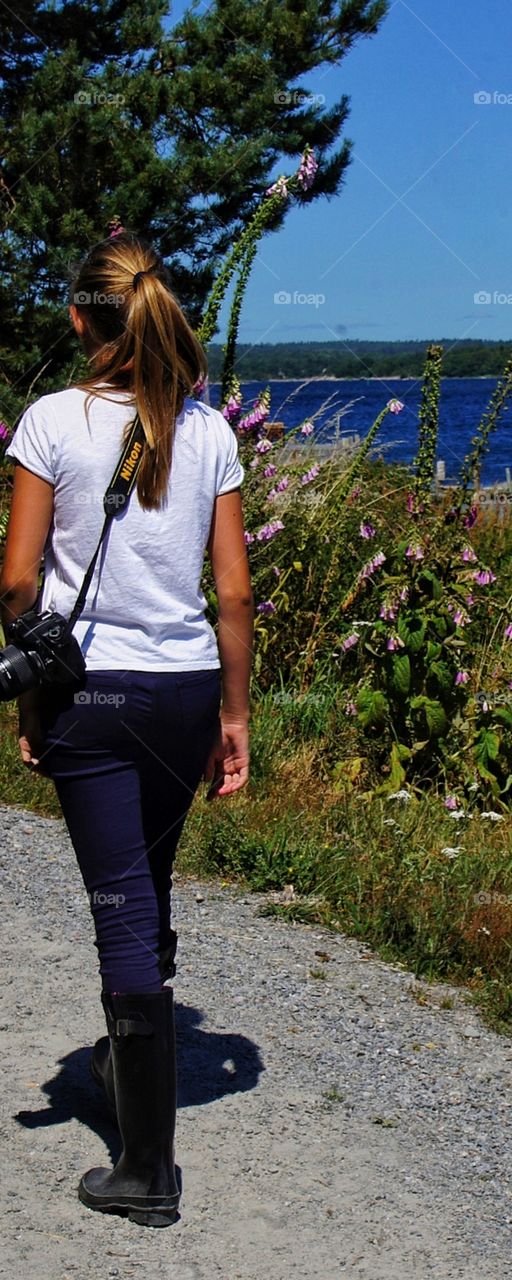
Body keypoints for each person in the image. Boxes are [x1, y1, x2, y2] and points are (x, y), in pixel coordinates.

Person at [0, 230, 254, 1227]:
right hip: (183, 688)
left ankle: (147, 1165)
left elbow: (20, 581)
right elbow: (230, 591)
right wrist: (234, 713)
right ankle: (124, 1061)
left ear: (79, 320)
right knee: (141, 881)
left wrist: (30, 696)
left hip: (93, 697)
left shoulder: (51, 421)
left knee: (122, 907)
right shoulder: (209, 431)